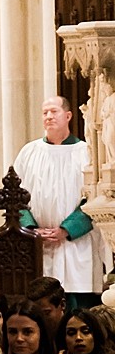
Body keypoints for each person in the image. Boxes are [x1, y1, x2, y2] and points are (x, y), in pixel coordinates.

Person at [13, 96, 109, 293]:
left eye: (54, 111)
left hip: (77, 244)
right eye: (45, 112)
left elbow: (96, 197)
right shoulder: (29, 152)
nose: (48, 116)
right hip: (39, 246)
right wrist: (31, 230)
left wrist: (67, 229)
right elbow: (15, 196)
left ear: (68, 115)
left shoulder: (86, 153)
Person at [28, 276, 68, 341]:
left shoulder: (75, 334)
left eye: (46, 313)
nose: (39, 321)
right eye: (34, 316)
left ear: (62, 305)